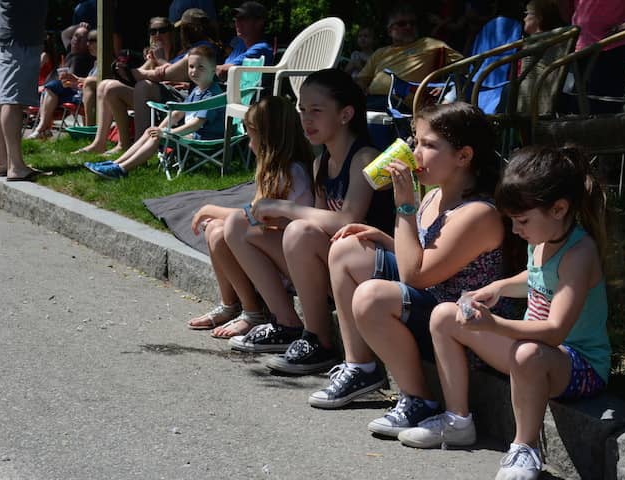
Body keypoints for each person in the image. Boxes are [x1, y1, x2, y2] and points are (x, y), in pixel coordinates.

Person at [398, 145, 610, 480]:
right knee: (444, 316)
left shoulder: (580, 254)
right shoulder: (542, 237)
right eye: (512, 221)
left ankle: (525, 448)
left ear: (558, 209)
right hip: (535, 354)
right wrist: (498, 288)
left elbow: (555, 332)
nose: (515, 230)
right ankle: (457, 420)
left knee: (528, 356)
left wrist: (494, 324)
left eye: (521, 221)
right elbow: (537, 276)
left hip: (577, 364)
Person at [308, 102, 510, 437]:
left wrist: (404, 205)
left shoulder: (478, 213)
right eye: (415, 142)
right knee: (346, 250)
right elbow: (421, 257)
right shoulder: (434, 197)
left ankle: (419, 398)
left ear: (464, 156)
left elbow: (416, 276)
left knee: (371, 297)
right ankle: (361, 367)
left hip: (458, 322)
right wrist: (384, 239)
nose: (415, 153)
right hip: (429, 299)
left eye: (428, 146)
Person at [229, 69, 394, 373]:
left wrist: (284, 208)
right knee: (240, 226)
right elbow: (322, 226)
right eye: (302, 110)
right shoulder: (322, 162)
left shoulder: (365, 158)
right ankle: (285, 323)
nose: (306, 119)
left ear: (346, 114)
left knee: (299, 229)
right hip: (337, 266)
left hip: (373, 270)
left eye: (316, 111)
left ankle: (318, 339)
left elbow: (348, 218)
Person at [186, 96, 315, 336]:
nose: (248, 144)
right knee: (215, 229)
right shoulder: (275, 169)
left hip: (291, 266)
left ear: (265, 137)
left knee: (228, 223)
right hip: (274, 256)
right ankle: (234, 306)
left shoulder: (290, 172)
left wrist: (208, 208)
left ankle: (261, 314)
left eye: (250, 136)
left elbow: (252, 216)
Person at [83, 45, 223, 179]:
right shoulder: (198, 90)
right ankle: (115, 163)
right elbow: (177, 113)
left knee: (158, 137)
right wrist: (160, 128)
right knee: (151, 131)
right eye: (191, 67)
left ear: (213, 70)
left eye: (201, 67)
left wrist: (168, 133)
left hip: (204, 139)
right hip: (192, 135)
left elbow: (196, 124)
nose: (194, 71)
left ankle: (122, 169)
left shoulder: (212, 95)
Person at [72, 17, 178, 155]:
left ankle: (130, 145)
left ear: (171, 33)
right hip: (146, 98)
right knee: (106, 86)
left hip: (168, 102)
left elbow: (171, 75)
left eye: (162, 30)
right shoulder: (152, 56)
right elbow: (137, 76)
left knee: (115, 87)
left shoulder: (179, 54)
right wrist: (128, 69)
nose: (157, 35)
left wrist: (161, 60)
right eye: (153, 31)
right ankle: (101, 142)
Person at [130, 8, 220, 140]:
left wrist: (133, 70)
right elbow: (156, 73)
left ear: (194, 29)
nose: (180, 32)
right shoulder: (185, 50)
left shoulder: (201, 50)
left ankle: (142, 142)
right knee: (111, 87)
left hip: (183, 99)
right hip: (181, 98)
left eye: (183, 28)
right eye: (153, 32)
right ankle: (125, 145)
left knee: (143, 86)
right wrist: (152, 61)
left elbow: (167, 74)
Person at [355, 4, 463, 110]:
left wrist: (445, 87)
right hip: (372, 102)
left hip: (401, 106)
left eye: (412, 23)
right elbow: (361, 81)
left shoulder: (430, 44)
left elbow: (466, 66)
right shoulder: (380, 53)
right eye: (402, 24)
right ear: (389, 31)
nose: (408, 27)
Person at [0, 0, 50, 181]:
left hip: (11, 36)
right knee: (12, 101)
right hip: (20, 39)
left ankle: (4, 162)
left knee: (4, 100)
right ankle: (16, 166)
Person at [27, 25, 92, 140]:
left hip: (69, 92)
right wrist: (80, 25)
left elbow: (68, 80)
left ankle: (41, 128)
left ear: (87, 44)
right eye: (75, 36)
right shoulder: (69, 51)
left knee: (52, 86)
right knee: (29, 92)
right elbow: (65, 34)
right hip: (53, 91)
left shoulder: (85, 58)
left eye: (82, 38)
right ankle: (44, 130)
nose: (76, 39)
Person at [215, 1, 274, 81]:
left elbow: (223, 71)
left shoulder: (262, 49)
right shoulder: (241, 45)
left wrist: (201, 68)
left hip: (247, 93)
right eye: (235, 18)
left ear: (259, 22)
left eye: (242, 18)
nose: (237, 22)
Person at [57, 29, 99, 126]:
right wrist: (74, 81)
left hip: (98, 98)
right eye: (87, 41)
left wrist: (77, 80)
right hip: (84, 96)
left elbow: (95, 82)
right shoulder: (96, 62)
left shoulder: (108, 62)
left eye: (92, 41)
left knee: (52, 87)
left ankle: (89, 130)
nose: (88, 44)